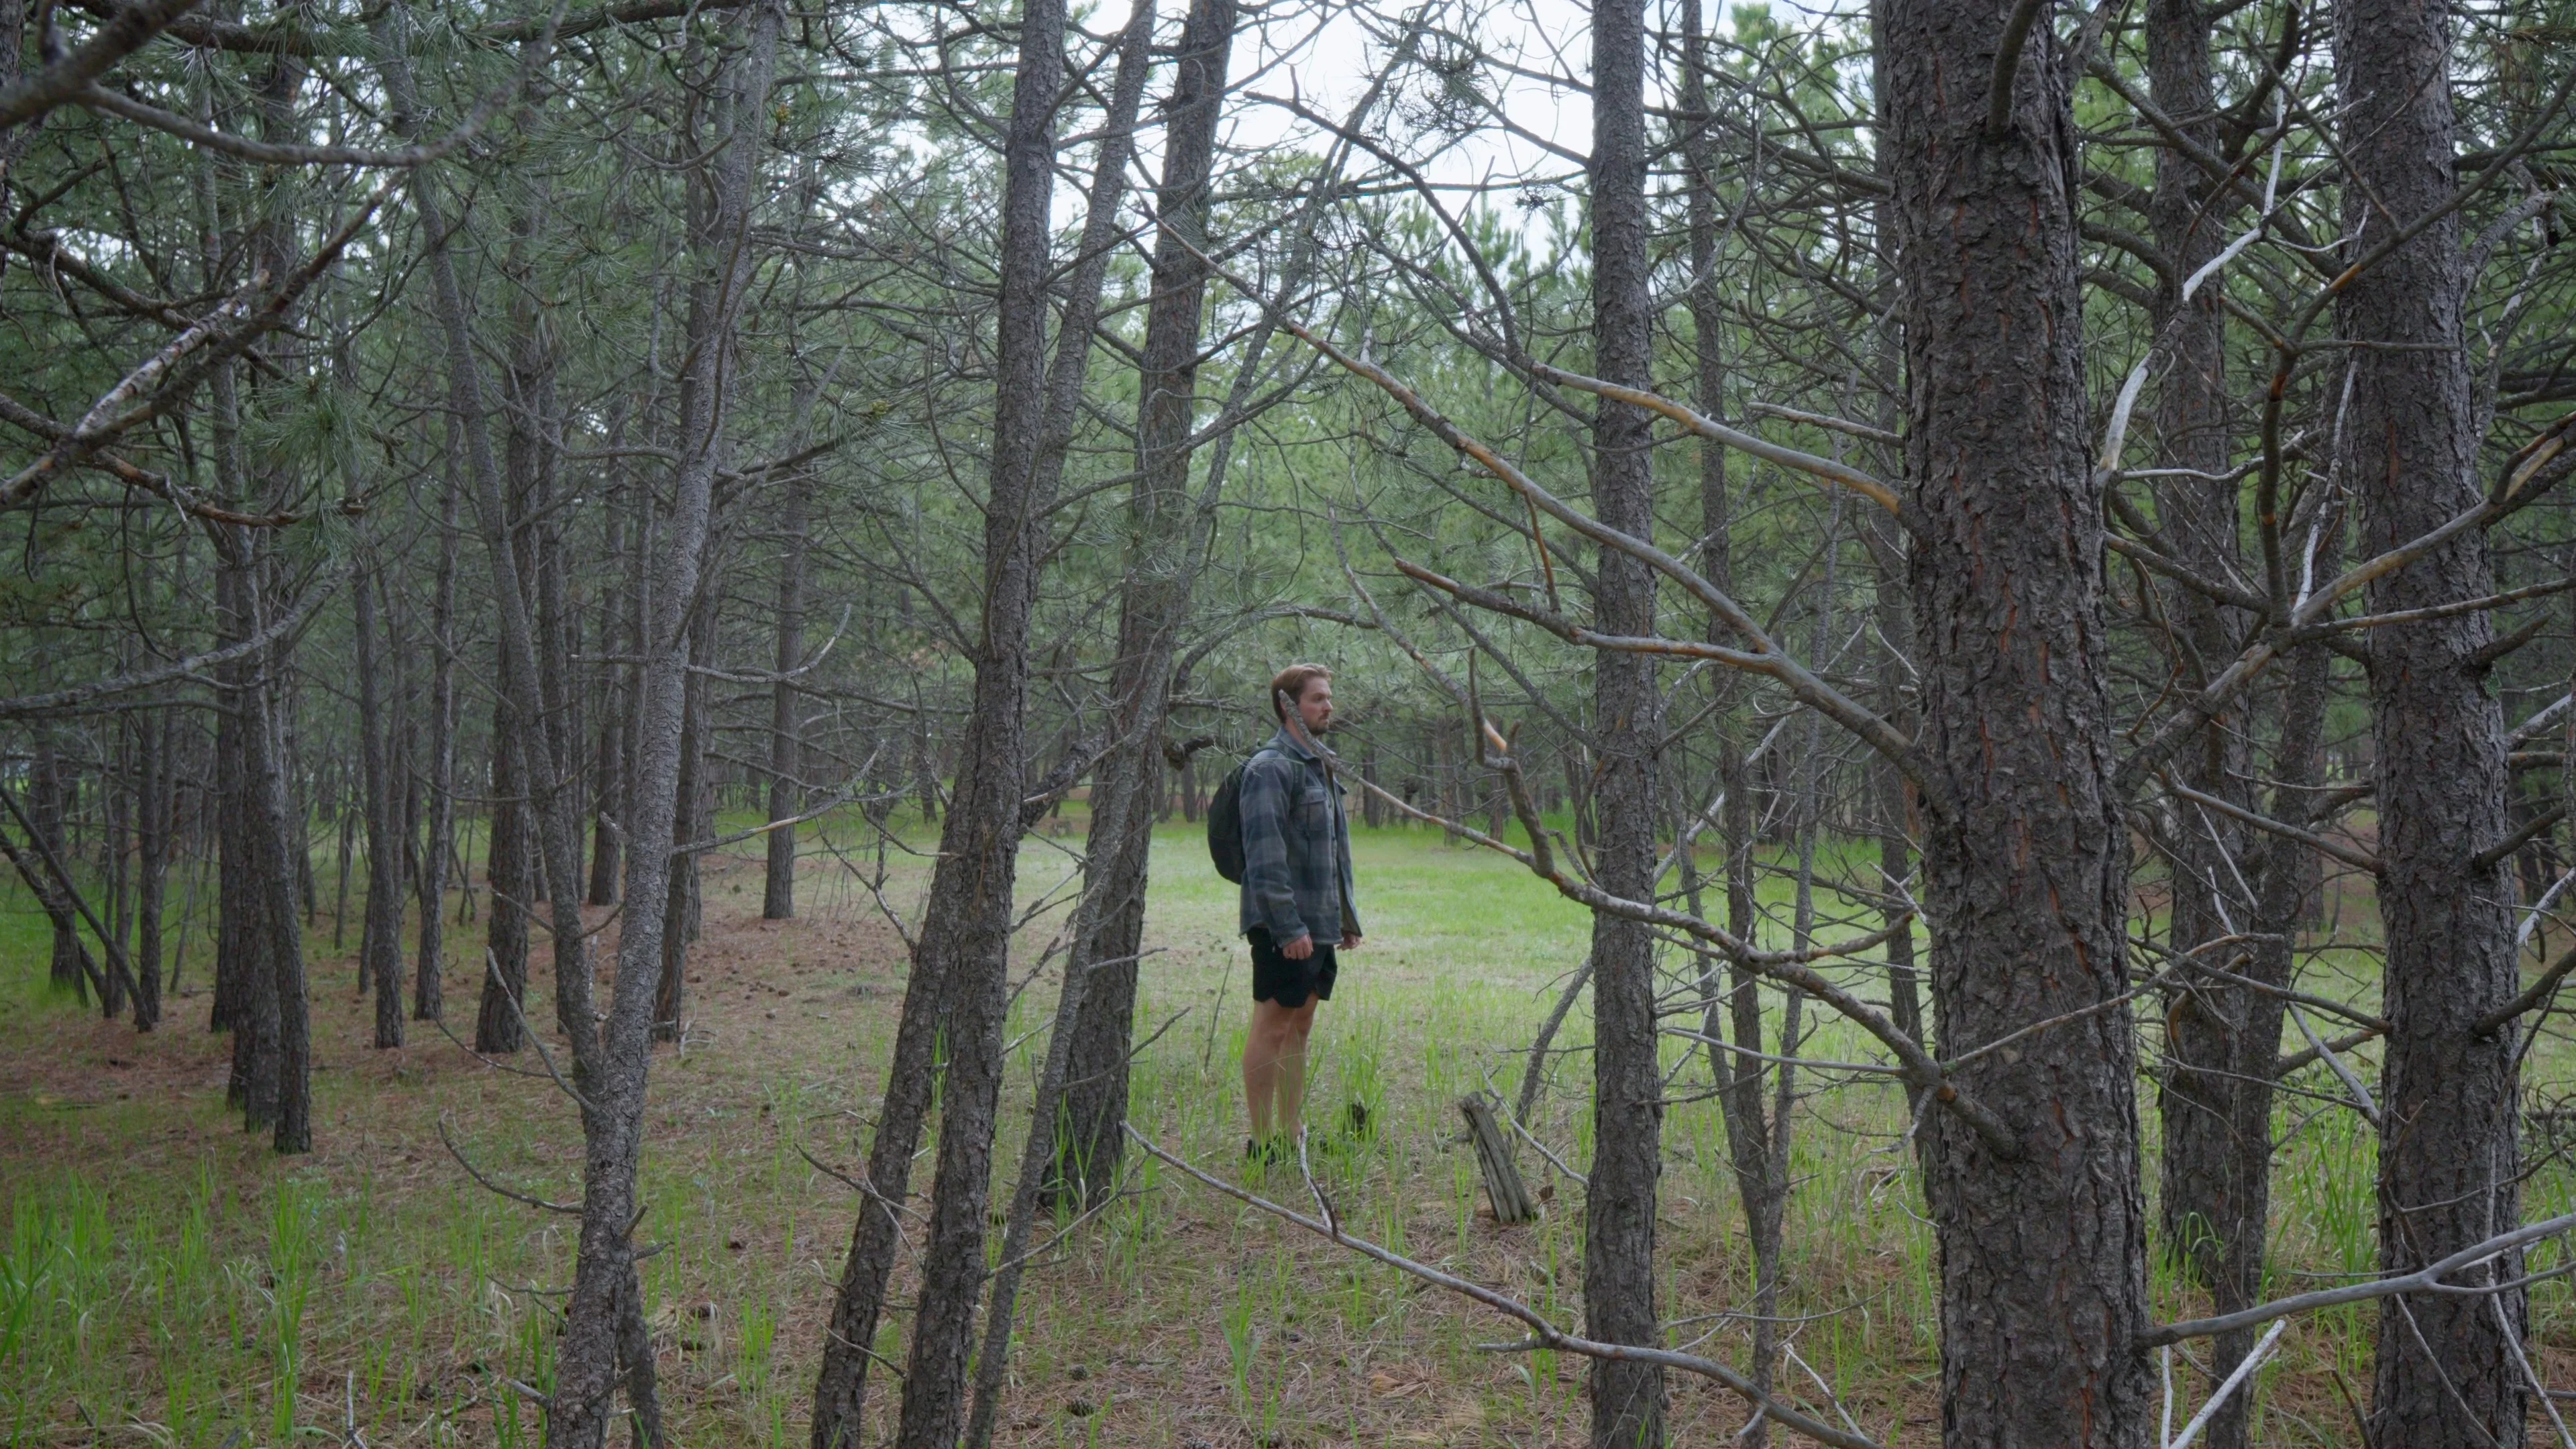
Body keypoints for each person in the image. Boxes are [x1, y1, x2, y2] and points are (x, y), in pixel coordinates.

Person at [1236, 662, 1362, 1163]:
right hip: (1282, 926)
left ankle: (1292, 1136)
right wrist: (1287, 927)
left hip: (1318, 924)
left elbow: (1334, 852)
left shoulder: (1318, 766)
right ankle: (1261, 1142)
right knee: (1273, 1024)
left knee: (1300, 1025)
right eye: (1317, 699)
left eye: (1329, 697)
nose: (1328, 706)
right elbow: (1263, 857)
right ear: (1289, 706)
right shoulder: (1270, 768)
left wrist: (1343, 920)